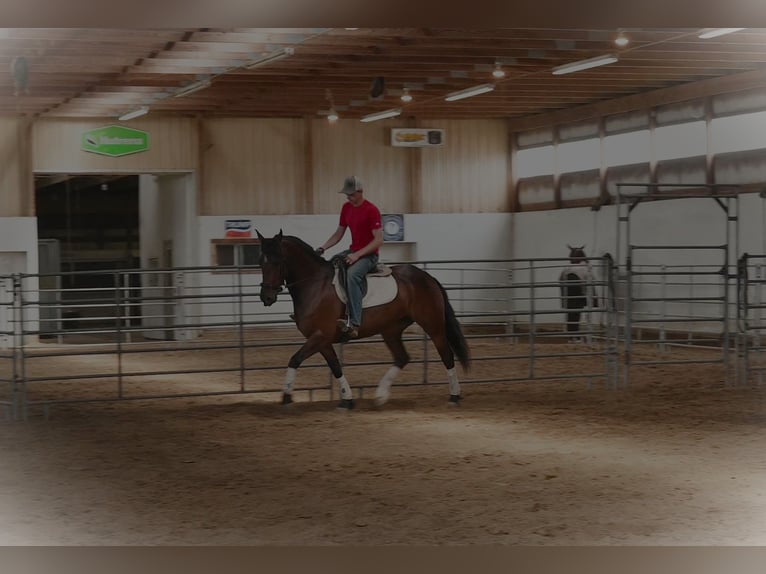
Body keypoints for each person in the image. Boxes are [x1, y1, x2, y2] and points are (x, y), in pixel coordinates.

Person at [316, 176, 383, 339]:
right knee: (330, 265)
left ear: (360, 192)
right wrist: (322, 247)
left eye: (351, 194)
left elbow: (379, 240)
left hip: (369, 256)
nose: (348, 197)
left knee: (353, 275)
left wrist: (357, 255)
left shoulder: (371, 210)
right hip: (353, 251)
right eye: (347, 194)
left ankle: (354, 323)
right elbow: (339, 233)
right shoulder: (346, 208)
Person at [559, 245, 598, 342]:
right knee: (576, 315)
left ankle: (572, 336)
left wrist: (563, 296)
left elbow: (560, 280)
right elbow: (591, 280)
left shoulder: (567, 268)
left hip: (569, 295)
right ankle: (576, 336)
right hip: (579, 294)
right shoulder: (585, 267)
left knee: (571, 316)